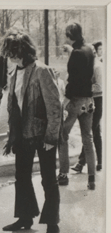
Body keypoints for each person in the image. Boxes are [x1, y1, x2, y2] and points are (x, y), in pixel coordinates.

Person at [1, 31, 62, 233]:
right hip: (23, 136)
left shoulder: (41, 71)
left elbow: (55, 107)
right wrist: (12, 135)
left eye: (14, 51)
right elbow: (14, 108)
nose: (11, 56)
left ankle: (52, 224)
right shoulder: (13, 75)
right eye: (9, 52)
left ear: (25, 50)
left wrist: (51, 138)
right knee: (22, 178)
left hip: (43, 135)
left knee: (48, 180)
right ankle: (25, 217)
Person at [57, 23, 96, 190]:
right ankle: (92, 179)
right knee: (88, 139)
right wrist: (71, 51)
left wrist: (64, 101)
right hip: (89, 101)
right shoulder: (89, 50)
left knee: (62, 135)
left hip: (76, 101)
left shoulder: (76, 54)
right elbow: (84, 68)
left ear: (70, 36)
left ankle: (63, 173)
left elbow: (72, 81)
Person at [71, 41, 103, 173]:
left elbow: (100, 86)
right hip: (88, 101)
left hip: (97, 100)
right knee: (95, 132)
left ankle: (81, 162)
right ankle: (99, 161)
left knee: (89, 131)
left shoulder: (97, 67)